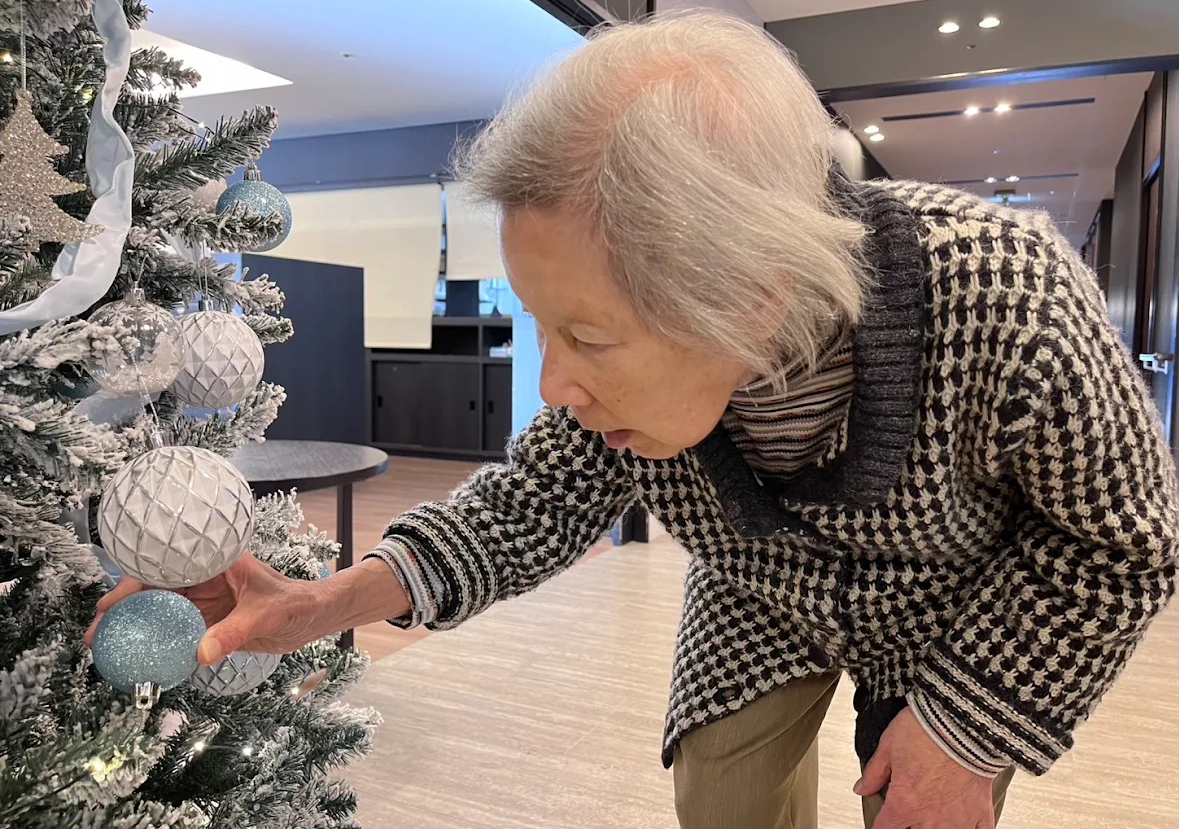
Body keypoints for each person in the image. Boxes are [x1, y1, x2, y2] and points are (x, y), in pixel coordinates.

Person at [87, 12, 1178, 829]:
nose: (555, 382)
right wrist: (319, 604)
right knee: (723, 794)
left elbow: (1124, 543)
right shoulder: (627, 384)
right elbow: (529, 505)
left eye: (589, 337)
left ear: (751, 295)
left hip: (961, 603)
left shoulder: (1004, 296)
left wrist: (970, 728)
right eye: (541, 324)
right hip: (759, 586)